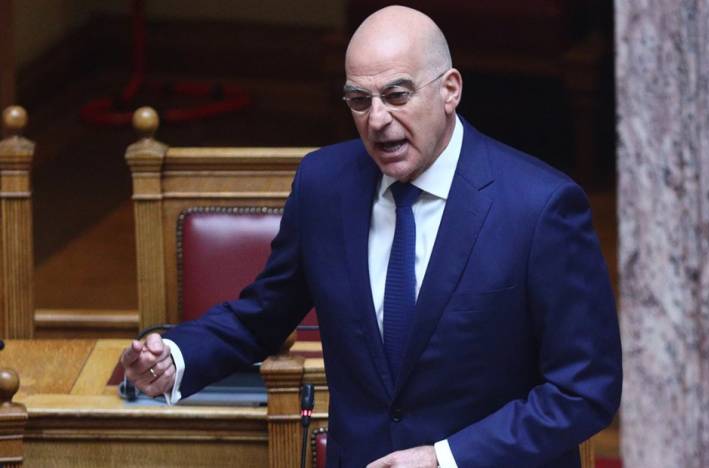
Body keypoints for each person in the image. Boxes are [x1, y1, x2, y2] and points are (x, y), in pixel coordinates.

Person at [120, 6, 622, 467]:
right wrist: (176, 358)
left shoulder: (540, 207)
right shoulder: (323, 185)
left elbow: (584, 391)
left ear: (450, 89)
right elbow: (262, 315)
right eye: (359, 101)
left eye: (397, 96)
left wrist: (444, 459)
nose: (377, 120)